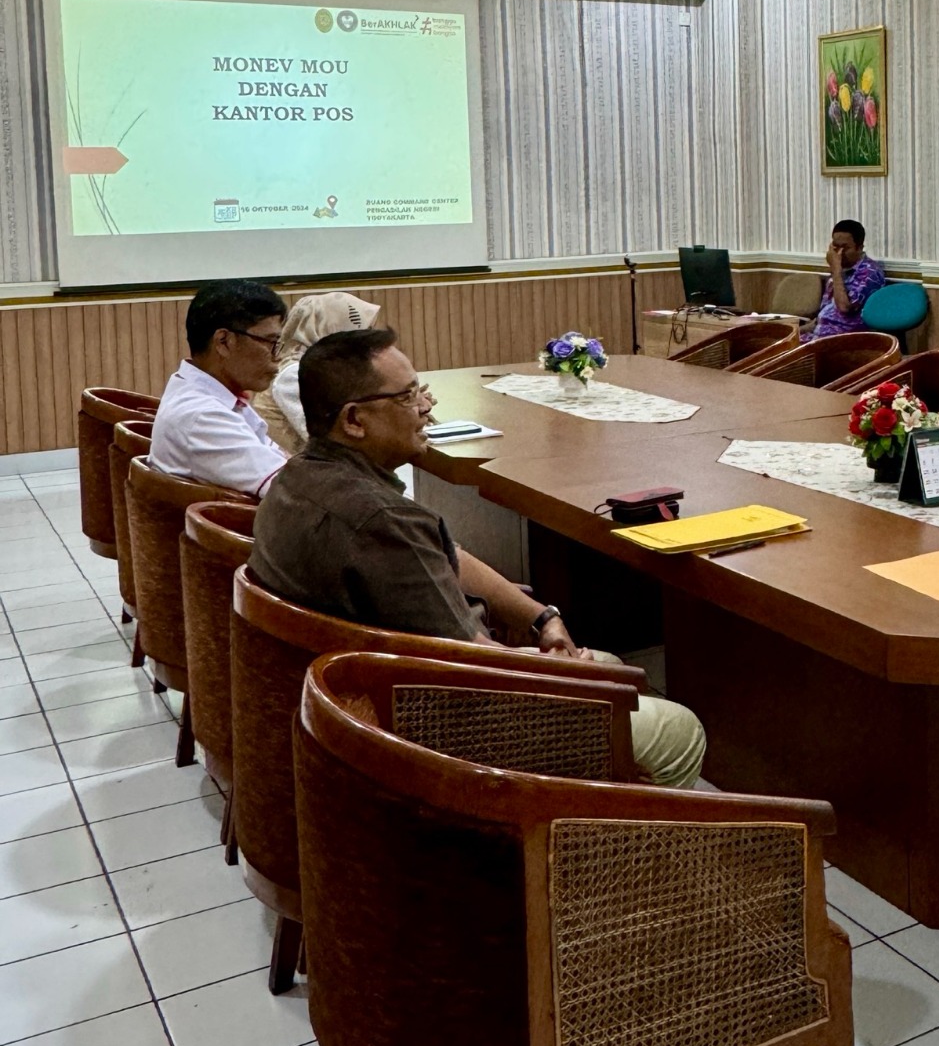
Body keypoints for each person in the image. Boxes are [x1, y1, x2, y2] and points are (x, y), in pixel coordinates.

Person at [249, 327, 706, 789]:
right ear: (354, 420)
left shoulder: (298, 480)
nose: (426, 407)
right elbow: (472, 664)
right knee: (676, 727)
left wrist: (542, 618)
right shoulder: (380, 521)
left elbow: (449, 558)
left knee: (607, 664)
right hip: (446, 729)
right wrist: (552, 669)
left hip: (370, 697)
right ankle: (607, 847)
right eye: (407, 397)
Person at [150, 279, 289, 497]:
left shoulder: (214, 396)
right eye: (270, 342)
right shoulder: (202, 416)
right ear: (224, 341)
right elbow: (294, 491)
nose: (277, 357)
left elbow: (282, 460)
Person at [256, 291, 382, 454]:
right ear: (331, 329)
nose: (365, 342)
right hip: (300, 474)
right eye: (359, 332)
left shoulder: (325, 367)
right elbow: (327, 438)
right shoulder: (295, 373)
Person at [810, 220, 886, 338]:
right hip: (820, 334)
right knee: (778, 343)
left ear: (859, 248)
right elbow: (825, 316)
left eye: (845, 248)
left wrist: (836, 270)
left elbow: (844, 307)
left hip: (845, 339)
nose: (839, 254)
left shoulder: (869, 272)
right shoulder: (840, 270)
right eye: (835, 247)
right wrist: (794, 331)